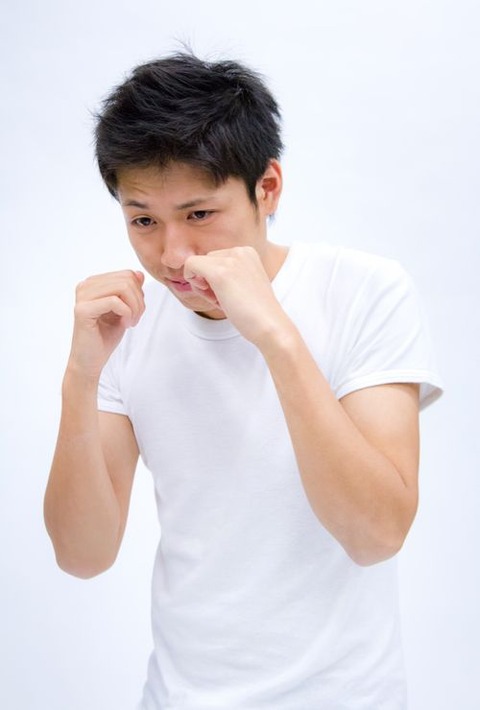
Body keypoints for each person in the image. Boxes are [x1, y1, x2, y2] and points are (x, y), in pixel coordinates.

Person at [44, 51, 442, 709]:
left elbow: (376, 535)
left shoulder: (365, 290)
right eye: (143, 220)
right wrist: (79, 377)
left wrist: (275, 335)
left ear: (268, 188)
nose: (173, 255)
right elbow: (82, 556)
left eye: (199, 214)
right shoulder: (126, 324)